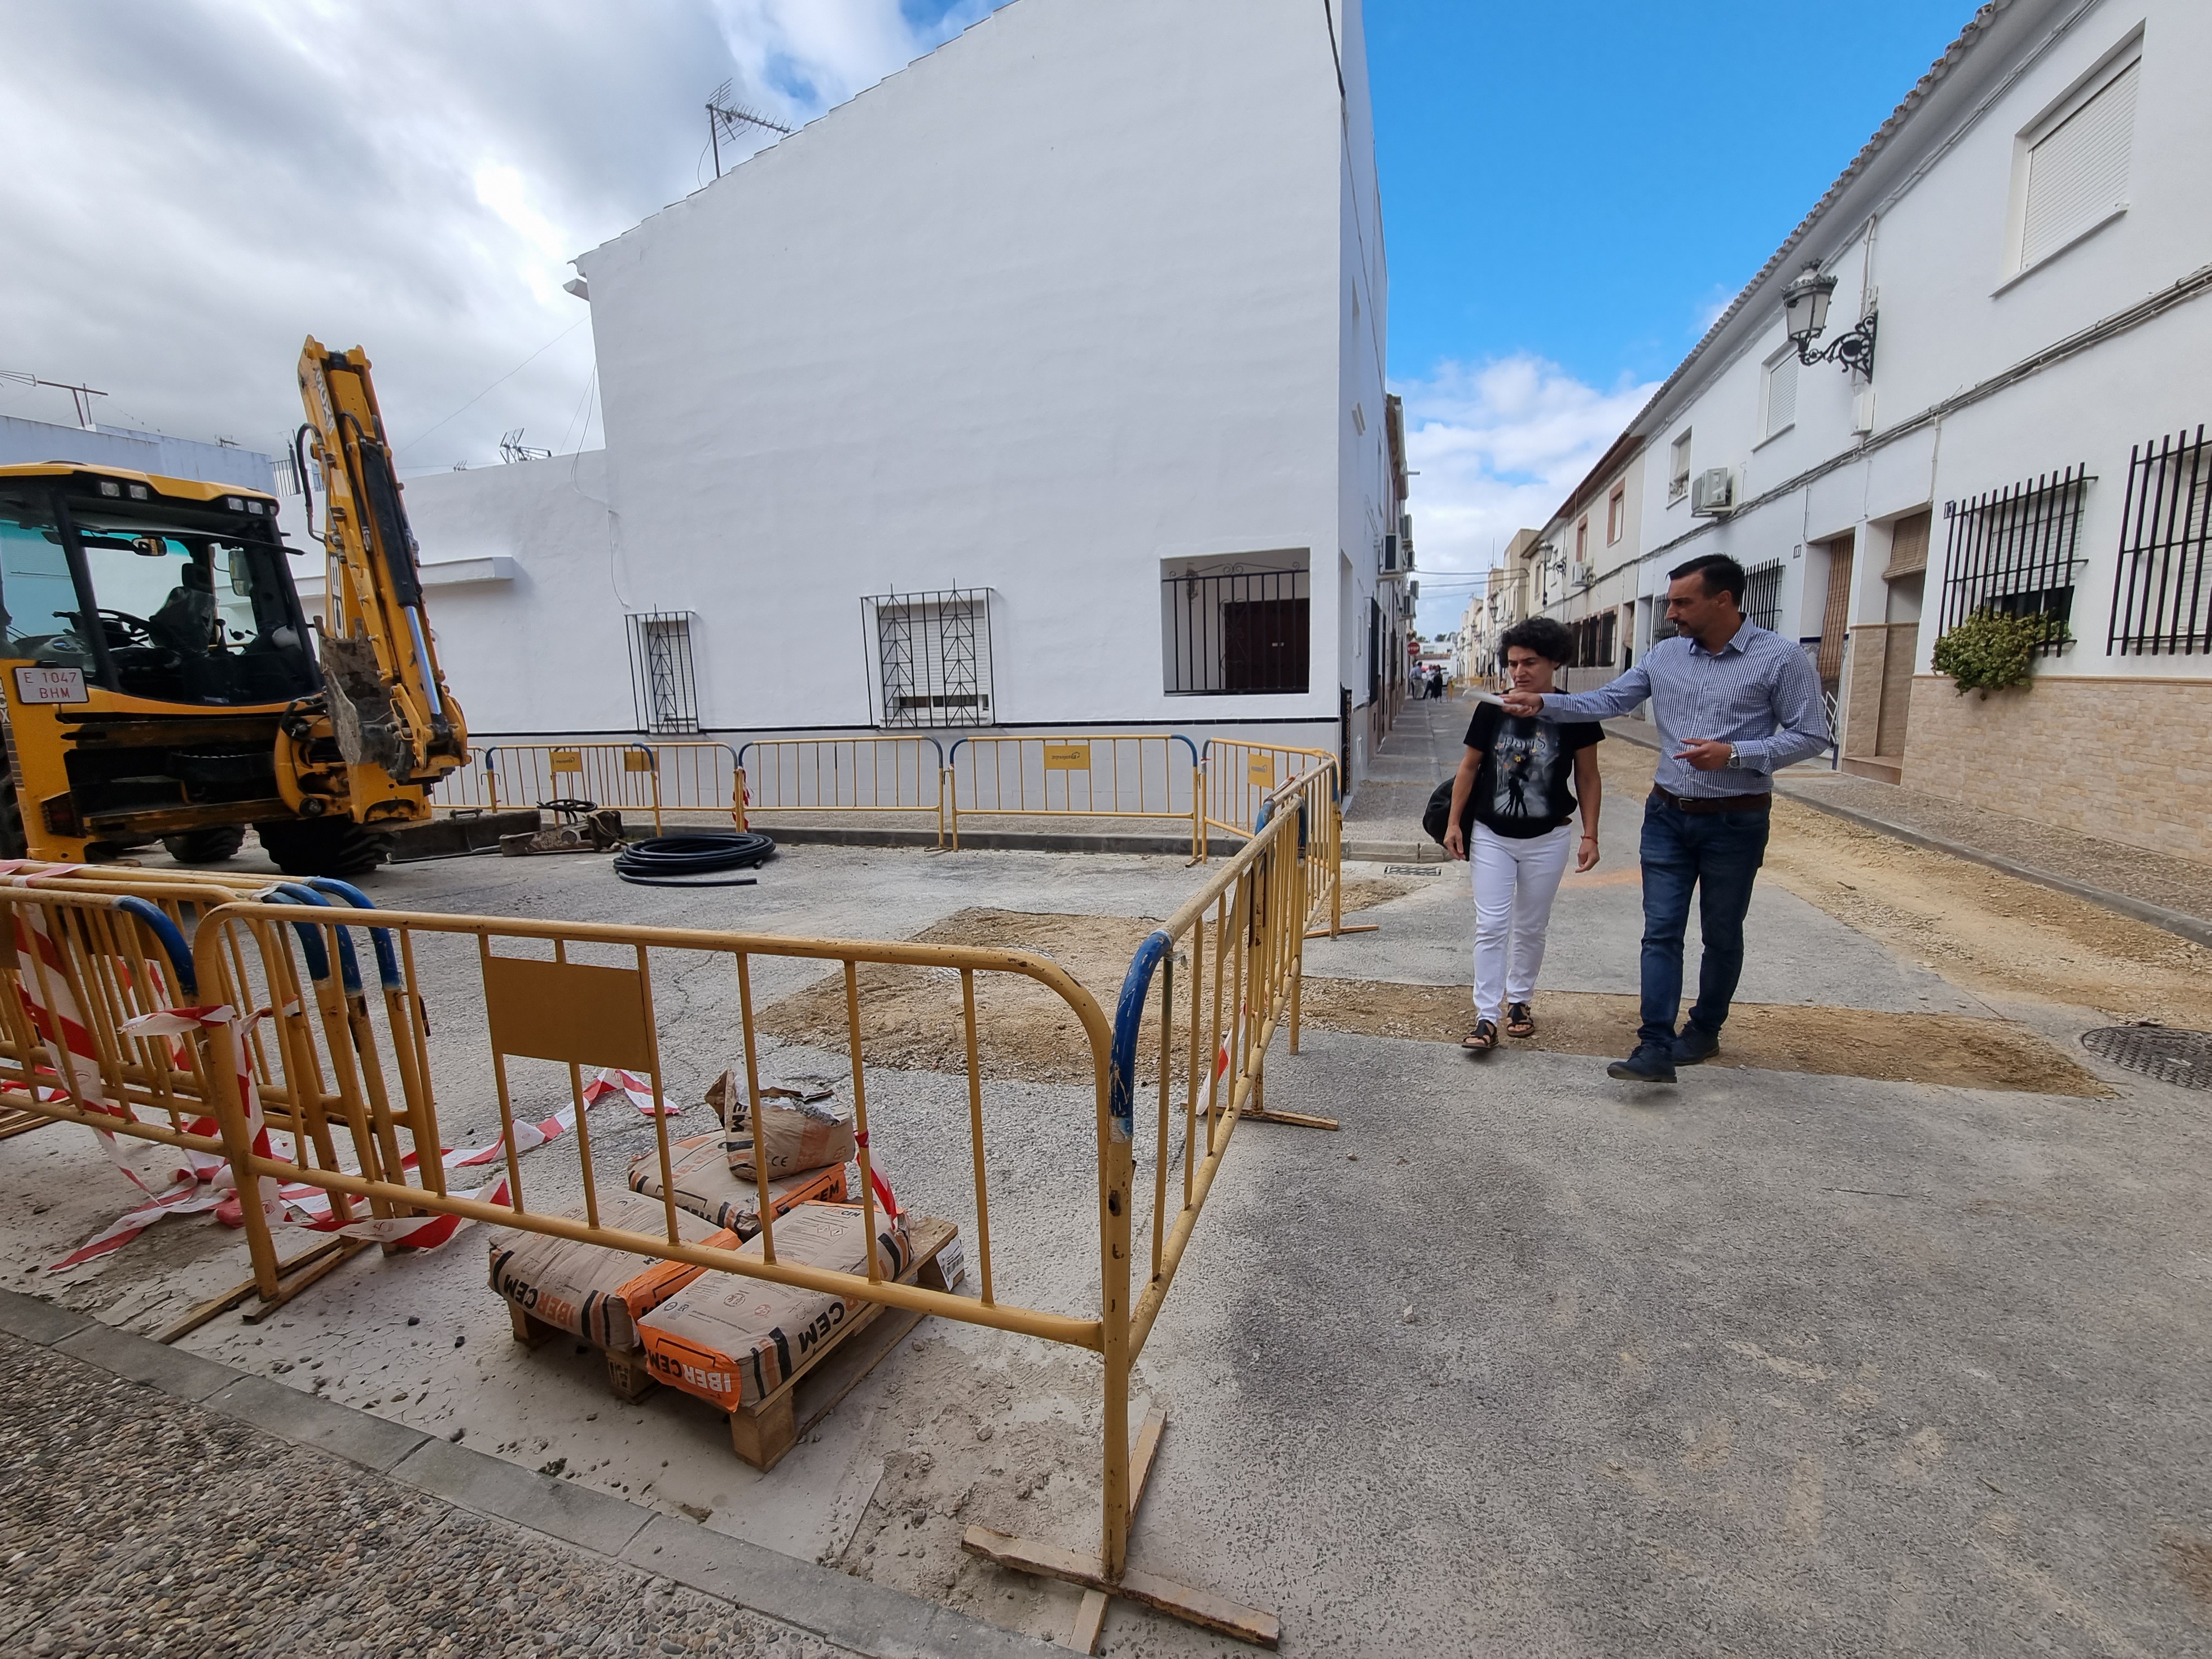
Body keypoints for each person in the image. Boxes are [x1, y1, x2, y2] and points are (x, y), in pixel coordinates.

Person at [1501, 552, 1830, 1082]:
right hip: (1666, 815)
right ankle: (1654, 1044)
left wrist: (1736, 753)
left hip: (1736, 819)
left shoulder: (1781, 658)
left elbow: (1812, 734)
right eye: (1670, 601)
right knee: (1660, 932)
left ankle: (1703, 1031)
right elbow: (1608, 700)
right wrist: (1543, 705)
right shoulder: (1665, 655)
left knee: (1721, 932)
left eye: (1682, 602)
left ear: (1722, 600)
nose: (1671, 612)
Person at [1443, 617, 1603, 1053]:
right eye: (1513, 663)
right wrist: (1454, 823)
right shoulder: (1492, 708)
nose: (1519, 672)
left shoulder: (1574, 711)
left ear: (1555, 661)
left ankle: (1520, 1003)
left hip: (1548, 837)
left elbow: (1588, 776)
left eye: (1530, 662)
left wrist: (1591, 835)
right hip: (1492, 833)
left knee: (1531, 927)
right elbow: (1469, 767)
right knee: (1492, 924)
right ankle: (1485, 1016)